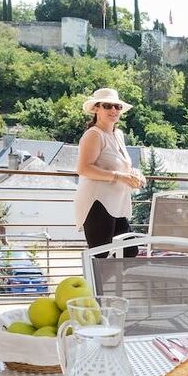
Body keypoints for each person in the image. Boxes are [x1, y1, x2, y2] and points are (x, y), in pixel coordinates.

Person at [74, 88, 146, 258]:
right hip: (97, 204)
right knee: (102, 257)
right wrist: (120, 177)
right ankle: (97, 285)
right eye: (107, 106)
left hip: (116, 204)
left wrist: (135, 174)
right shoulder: (93, 135)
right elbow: (83, 169)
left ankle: (115, 285)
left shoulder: (118, 134)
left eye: (117, 107)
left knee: (129, 250)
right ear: (96, 109)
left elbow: (120, 165)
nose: (113, 110)